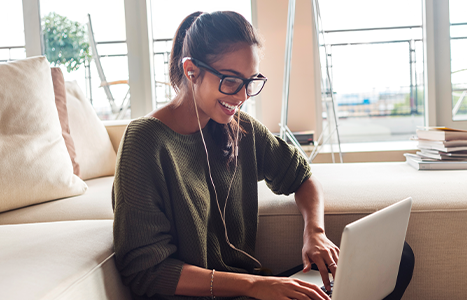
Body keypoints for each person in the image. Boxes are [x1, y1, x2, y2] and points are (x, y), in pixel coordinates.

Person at [112, 11, 413, 300]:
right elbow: (146, 270)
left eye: (250, 81)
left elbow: (303, 177)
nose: (242, 96)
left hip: (253, 291)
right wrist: (256, 285)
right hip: (221, 293)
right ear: (192, 71)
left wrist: (315, 233)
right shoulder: (145, 142)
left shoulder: (239, 128)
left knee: (396, 257)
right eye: (230, 80)